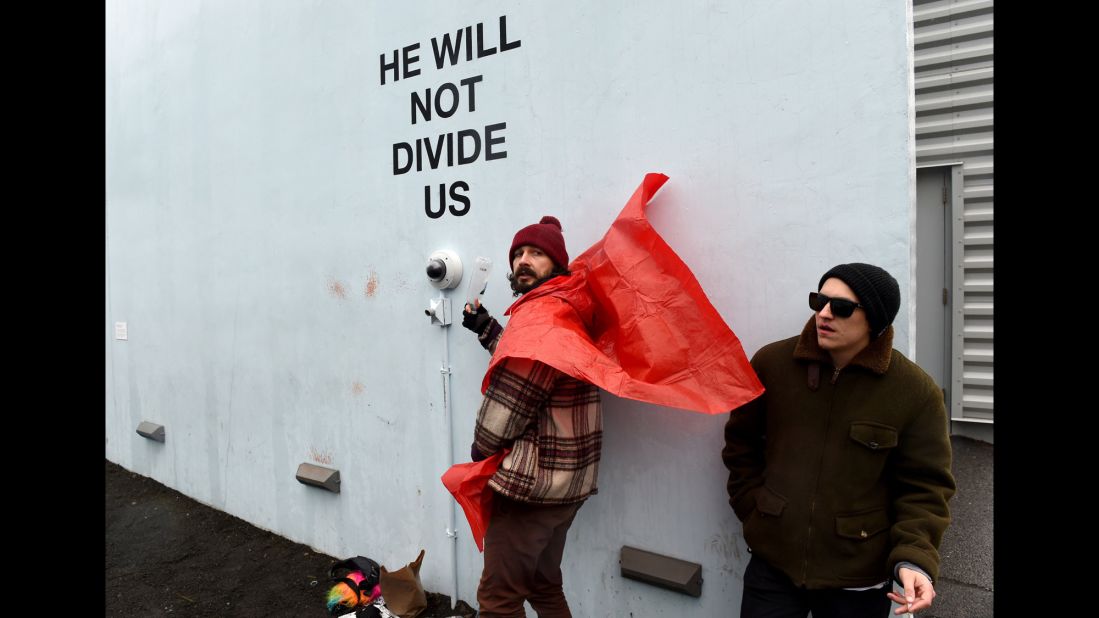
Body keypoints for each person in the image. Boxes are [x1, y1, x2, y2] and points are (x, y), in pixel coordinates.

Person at [722, 262, 955, 617]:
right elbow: (741, 444)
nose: (825, 314)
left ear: (874, 319)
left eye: (842, 307)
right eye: (820, 301)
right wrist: (757, 510)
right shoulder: (773, 364)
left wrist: (914, 559)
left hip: (858, 578)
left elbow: (925, 488)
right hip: (774, 568)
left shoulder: (915, 393)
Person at [460, 215, 600, 618]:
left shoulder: (541, 318)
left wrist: (480, 451)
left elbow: (512, 399)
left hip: (532, 489)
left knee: (499, 600)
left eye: (536, 254)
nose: (523, 260)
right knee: (542, 585)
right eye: (518, 253)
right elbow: (534, 366)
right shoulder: (566, 307)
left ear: (557, 264)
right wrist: (488, 329)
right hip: (566, 484)